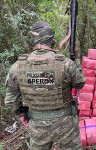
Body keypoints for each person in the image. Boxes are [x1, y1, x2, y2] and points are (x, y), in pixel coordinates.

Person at [4, 21, 85, 150]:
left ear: (33, 39)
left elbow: (11, 100)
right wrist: (76, 59)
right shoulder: (66, 64)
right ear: (51, 39)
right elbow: (80, 84)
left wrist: (21, 113)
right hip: (66, 126)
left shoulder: (17, 67)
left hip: (37, 126)